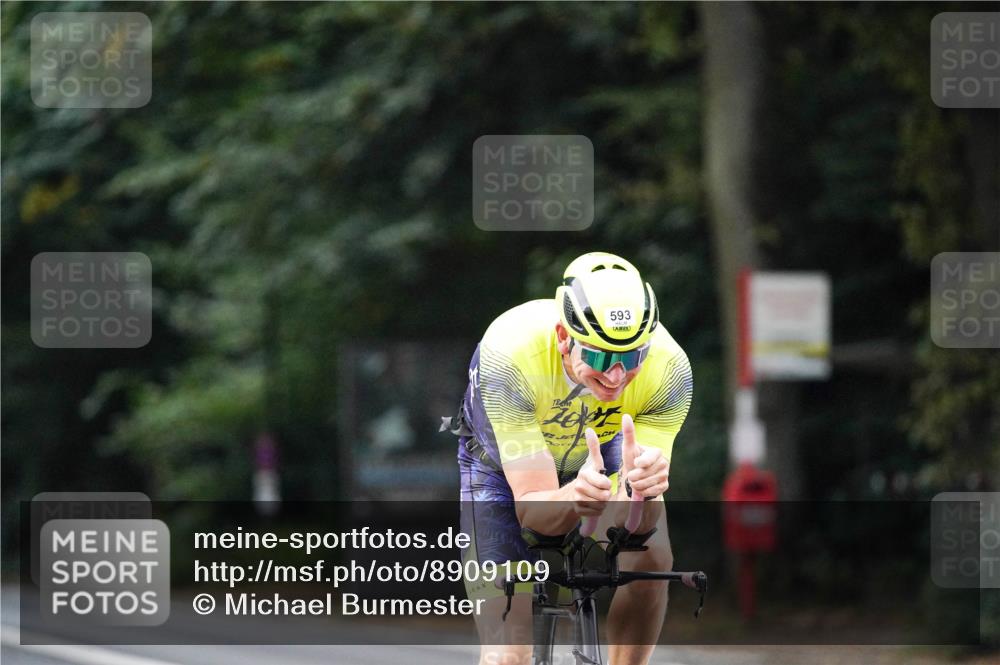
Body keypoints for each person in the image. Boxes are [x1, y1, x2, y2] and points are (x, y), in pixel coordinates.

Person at [444, 252, 693, 665]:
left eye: (631, 358)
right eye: (598, 357)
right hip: (498, 470)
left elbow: (639, 528)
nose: (616, 376)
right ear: (564, 336)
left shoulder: (669, 369)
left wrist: (643, 493)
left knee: (653, 557)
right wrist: (575, 494)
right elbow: (533, 512)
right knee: (509, 654)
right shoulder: (509, 355)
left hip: (602, 449)